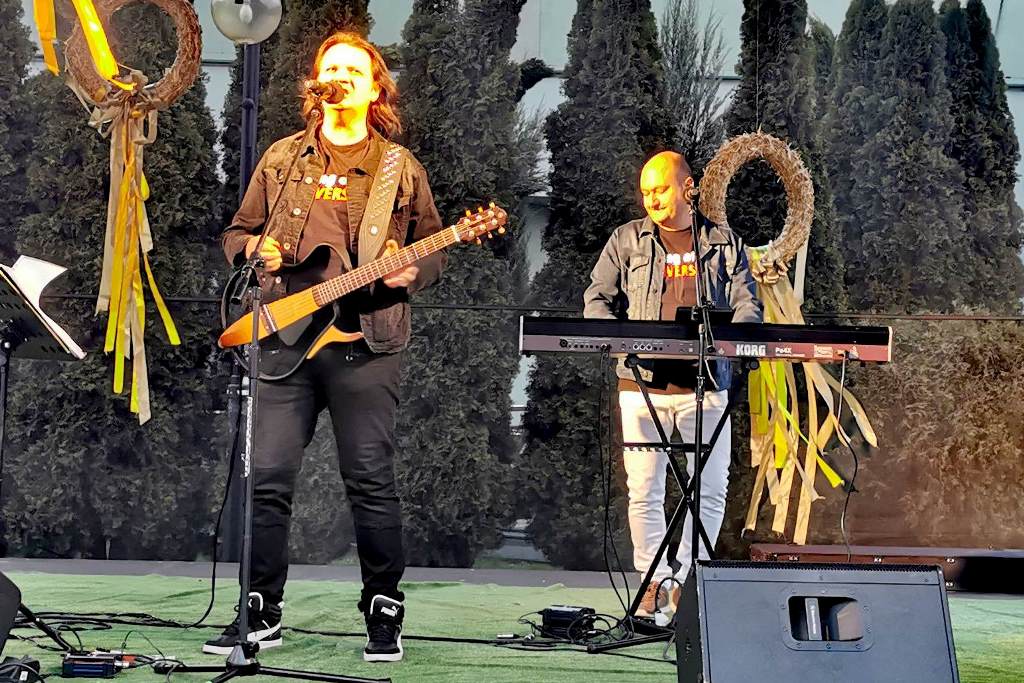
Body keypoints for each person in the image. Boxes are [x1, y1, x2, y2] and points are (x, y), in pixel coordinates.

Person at [206, 31, 445, 663]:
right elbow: (237, 231)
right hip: (284, 336)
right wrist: (254, 250)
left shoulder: (398, 167)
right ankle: (260, 611)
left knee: (370, 479)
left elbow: (434, 244)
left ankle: (384, 610)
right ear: (316, 83)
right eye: (330, 68)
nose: (339, 77)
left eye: (352, 70)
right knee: (268, 478)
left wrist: (412, 271)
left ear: (373, 90)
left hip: (366, 340)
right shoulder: (284, 159)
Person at [583, 151, 761, 617]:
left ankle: (686, 582)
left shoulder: (724, 243)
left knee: (710, 490)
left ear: (687, 187)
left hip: (706, 384)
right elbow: (596, 300)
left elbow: (747, 304)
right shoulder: (627, 240)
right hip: (642, 385)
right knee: (644, 490)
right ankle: (653, 582)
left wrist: (737, 342)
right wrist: (622, 345)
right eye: (645, 192)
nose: (651, 199)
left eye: (660, 189)